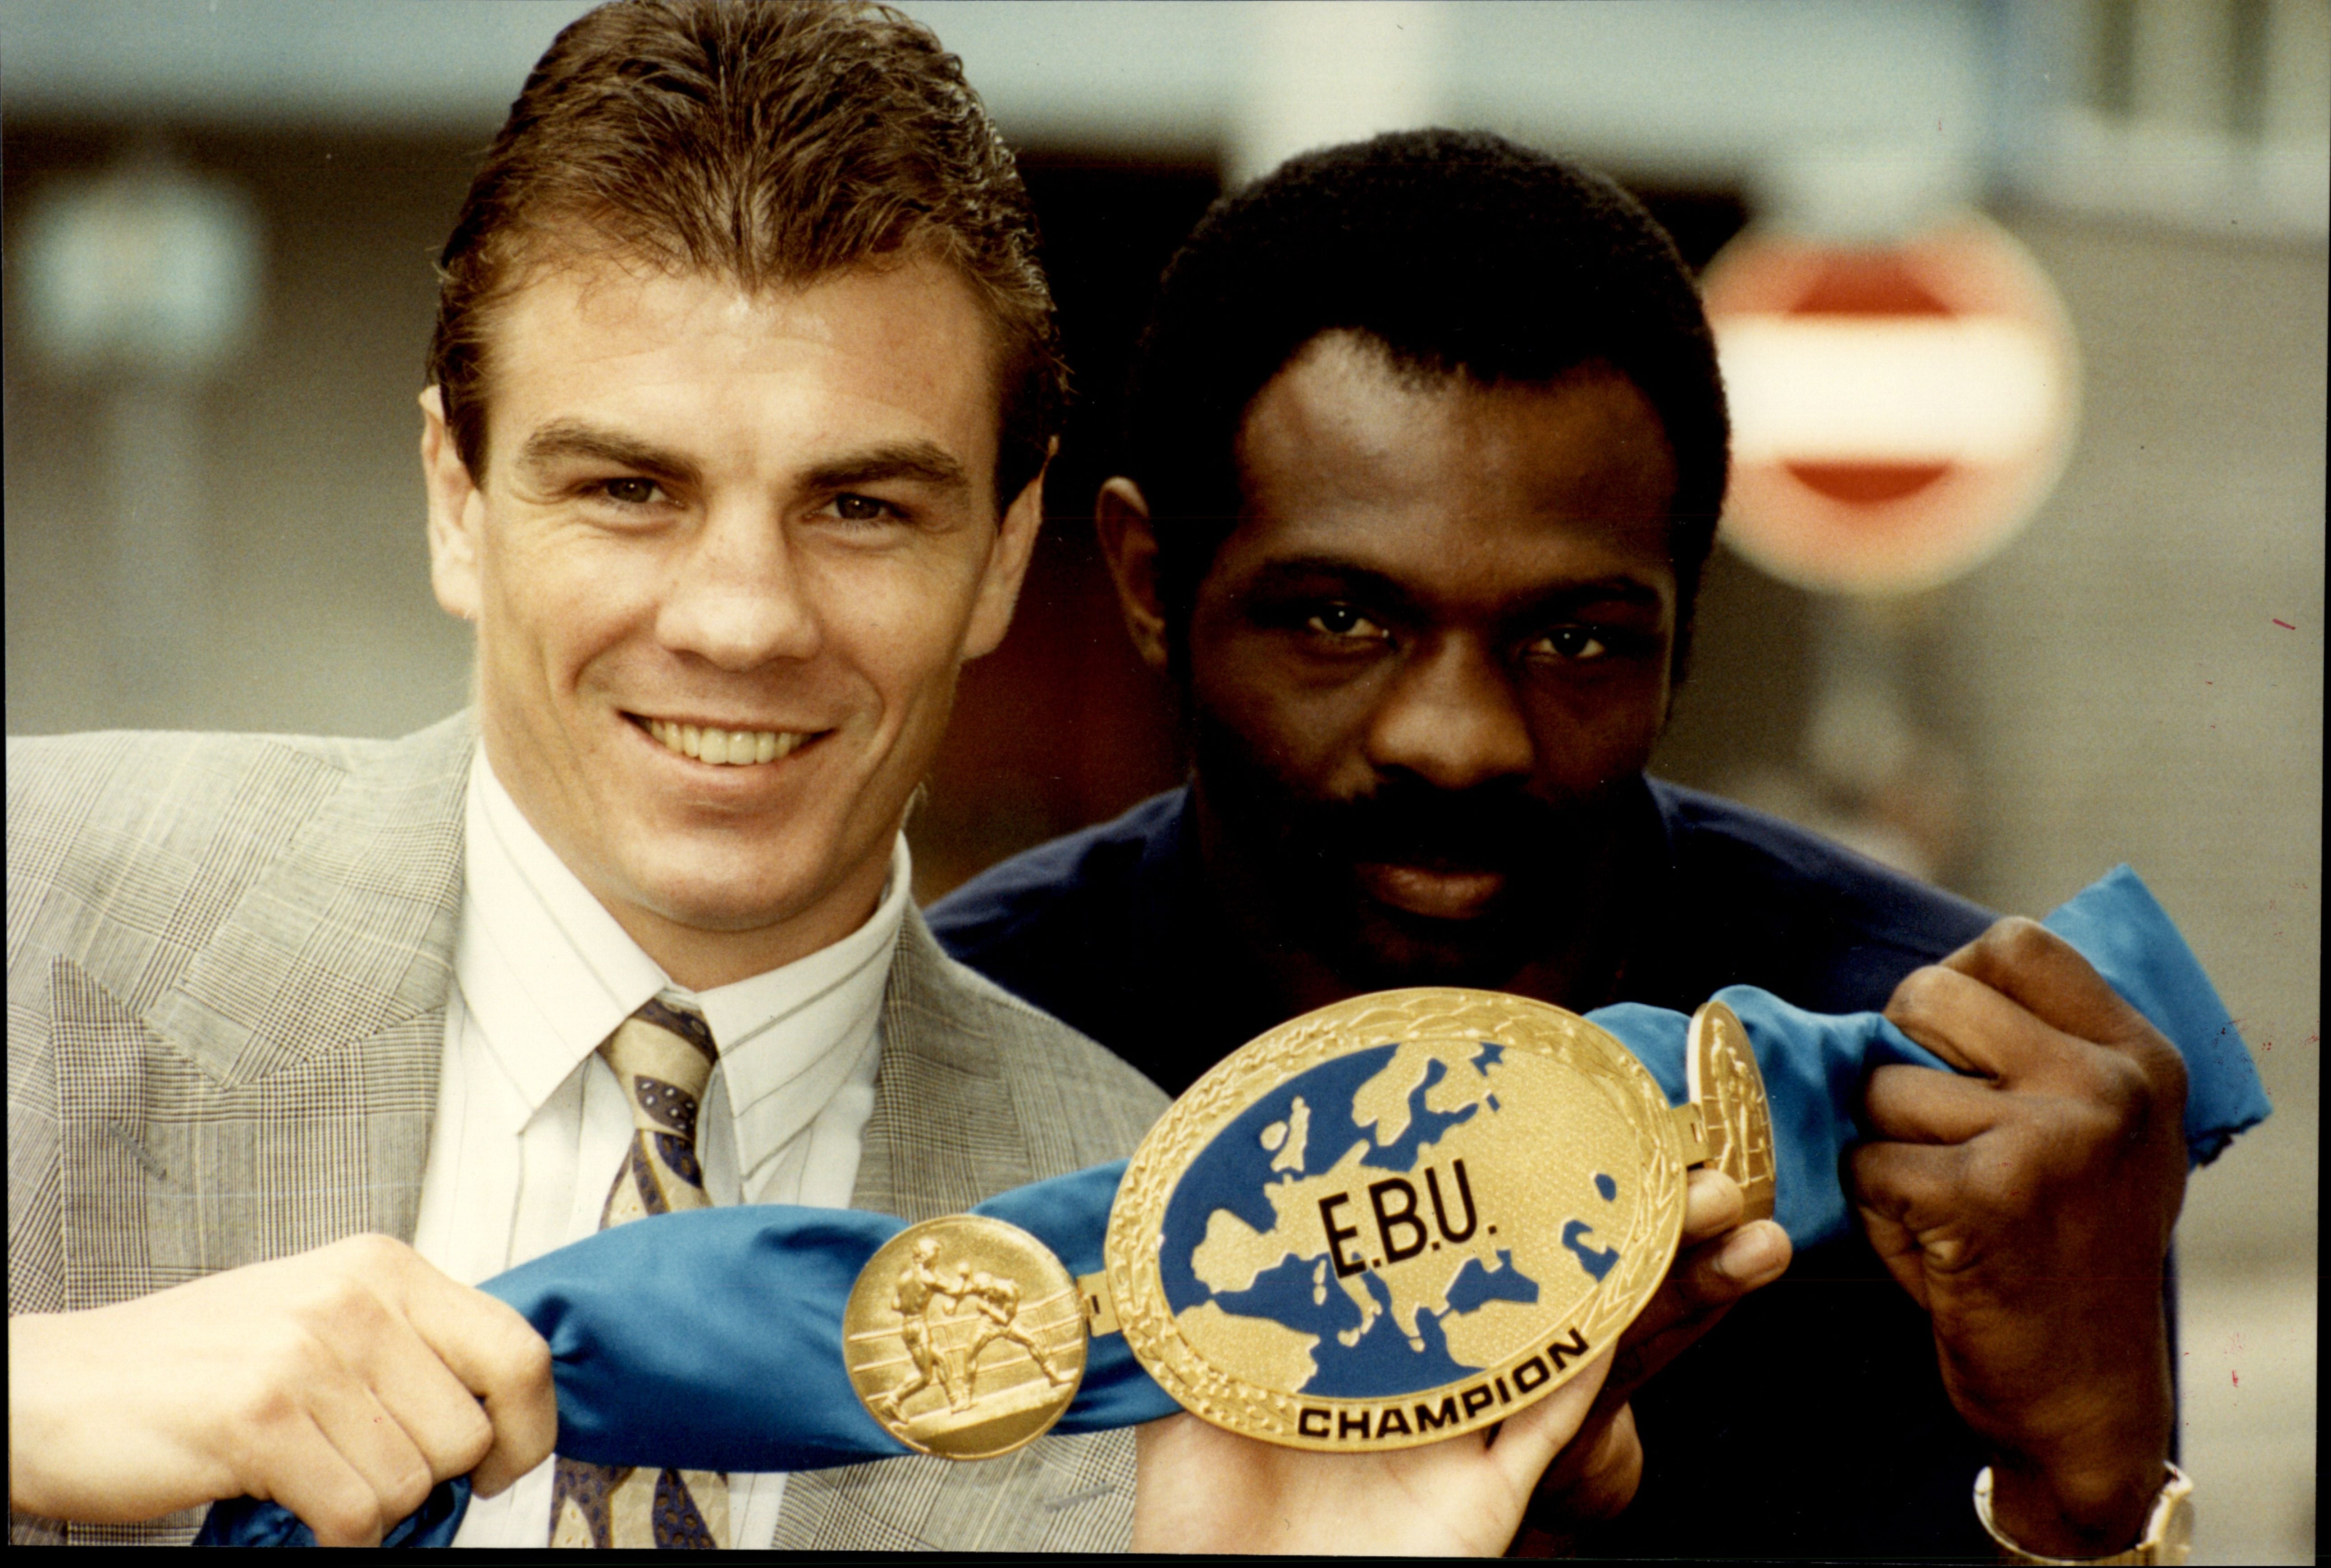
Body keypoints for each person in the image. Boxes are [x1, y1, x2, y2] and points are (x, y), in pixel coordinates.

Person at [5, 9, 1779, 1554]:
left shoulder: (1205, 1268)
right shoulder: (37, 903)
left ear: (1007, 557)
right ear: (457, 500)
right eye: (628, 488)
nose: (742, 617)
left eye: (864, 507)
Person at [928, 130, 2194, 1562]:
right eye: (1343, 620)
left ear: (1681, 635)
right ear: (1152, 585)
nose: (1460, 740)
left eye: (1572, 640)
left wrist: (2090, 1485)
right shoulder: (936, 1078)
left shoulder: (1935, 1110)